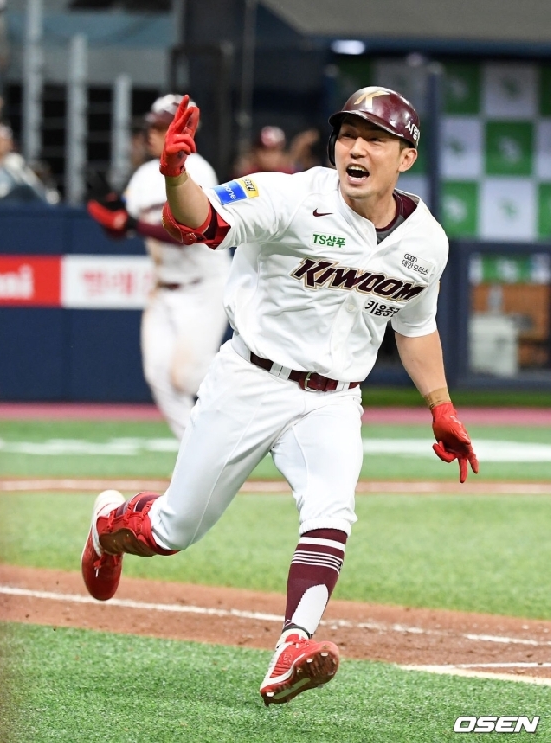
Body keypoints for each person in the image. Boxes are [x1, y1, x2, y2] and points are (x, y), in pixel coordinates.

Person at [81, 87, 479, 705]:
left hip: (334, 399)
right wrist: (177, 174)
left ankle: (294, 644)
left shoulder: (425, 240)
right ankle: (109, 525)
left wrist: (441, 405)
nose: (356, 148)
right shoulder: (291, 196)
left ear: (406, 157)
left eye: (374, 139)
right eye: (348, 135)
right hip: (251, 380)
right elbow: (199, 222)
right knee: (171, 530)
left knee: (331, 509)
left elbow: (415, 326)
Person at [87, 94, 231, 442]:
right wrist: (112, 212)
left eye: (161, 127)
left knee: (186, 378)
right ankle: (194, 450)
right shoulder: (144, 176)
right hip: (163, 289)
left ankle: (240, 406)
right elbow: (122, 228)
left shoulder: (198, 170)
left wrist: (132, 224)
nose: (152, 134)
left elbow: (189, 233)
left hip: (204, 286)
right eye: (151, 127)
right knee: (158, 376)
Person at [233, 125, 320, 177]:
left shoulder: (291, 175)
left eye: (273, 150)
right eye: (264, 151)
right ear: (255, 151)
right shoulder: (246, 176)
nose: (269, 156)